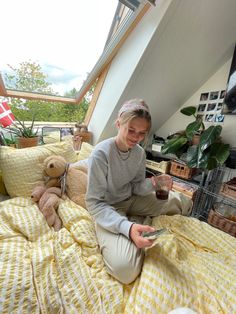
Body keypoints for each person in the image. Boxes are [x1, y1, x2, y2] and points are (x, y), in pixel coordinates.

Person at [86, 99, 192, 284]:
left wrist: (153, 183)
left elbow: (136, 186)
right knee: (125, 271)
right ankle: (133, 224)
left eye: (142, 133)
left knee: (185, 203)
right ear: (119, 124)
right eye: (131, 130)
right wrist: (127, 227)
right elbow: (94, 203)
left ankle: (136, 219)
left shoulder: (139, 153)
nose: (136, 137)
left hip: (131, 199)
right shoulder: (101, 153)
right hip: (109, 208)